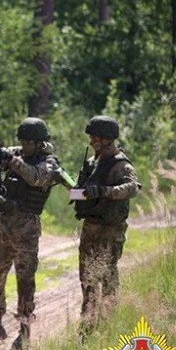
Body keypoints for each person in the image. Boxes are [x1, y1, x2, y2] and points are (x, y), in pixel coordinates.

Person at [0, 118, 60, 350]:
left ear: (39, 143)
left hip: (26, 229)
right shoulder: (17, 153)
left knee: (25, 281)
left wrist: (12, 161)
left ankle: (24, 332)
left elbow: (36, 177)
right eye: (22, 141)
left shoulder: (49, 163)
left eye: (29, 142)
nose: (24, 146)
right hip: (2, 225)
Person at [74, 116, 140, 336]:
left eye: (95, 137)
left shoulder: (120, 164)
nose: (91, 141)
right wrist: (77, 192)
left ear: (107, 138)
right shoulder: (92, 163)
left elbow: (132, 187)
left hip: (110, 229)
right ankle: (87, 325)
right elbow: (82, 192)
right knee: (87, 277)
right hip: (90, 227)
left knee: (107, 276)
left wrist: (105, 191)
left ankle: (109, 326)